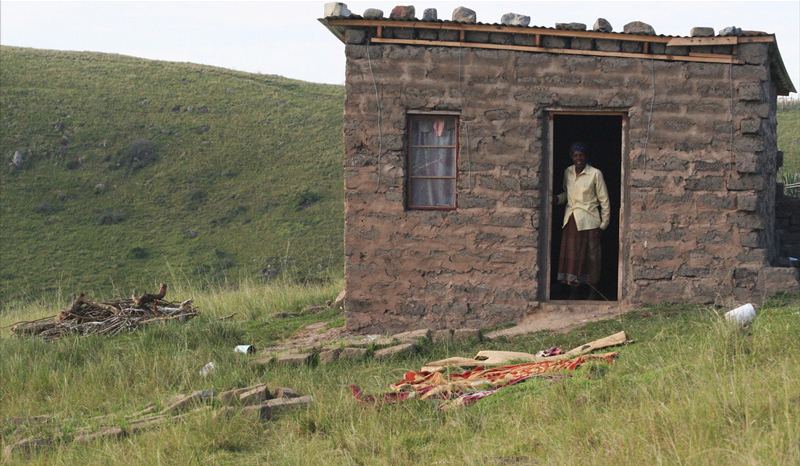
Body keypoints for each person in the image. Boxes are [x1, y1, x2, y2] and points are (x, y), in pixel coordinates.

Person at [553, 142, 610, 300]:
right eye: (575, 155)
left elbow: (604, 200)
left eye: (581, 155)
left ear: (586, 157)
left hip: (589, 221)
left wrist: (604, 224)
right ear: (571, 157)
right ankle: (574, 292)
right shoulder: (568, 172)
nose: (579, 158)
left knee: (590, 259)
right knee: (573, 258)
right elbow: (567, 194)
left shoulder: (595, 174)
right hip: (571, 220)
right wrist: (556, 199)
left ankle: (592, 292)